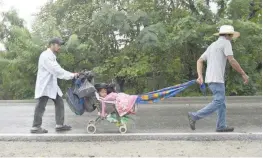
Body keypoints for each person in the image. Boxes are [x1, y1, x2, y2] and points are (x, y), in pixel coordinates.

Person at [187, 25, 249, 132]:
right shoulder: (226, 43)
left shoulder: (213, 45)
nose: (232, 38)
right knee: (219, 101)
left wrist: (200, 76)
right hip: (217, 79)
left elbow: (199, 60)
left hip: (210, 79)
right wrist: (243, 73)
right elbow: (232, 60)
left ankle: (221, 125)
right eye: (231, 35)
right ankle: (195, 116)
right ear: (228, 35)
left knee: (221, 103)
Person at [30, 38, 78, 134]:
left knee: (59, 102)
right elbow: (57, 70)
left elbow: (58, 69)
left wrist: (71, 74)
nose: (59, 47)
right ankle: (36, 127)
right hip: (45, 85)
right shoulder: (45, 56)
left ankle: (59, 125)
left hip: (51, 85)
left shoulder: (52, 56)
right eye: (58, 45)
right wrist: (72, 75)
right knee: (41, 105)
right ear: (52, 45)